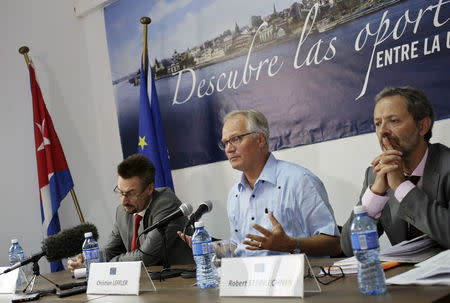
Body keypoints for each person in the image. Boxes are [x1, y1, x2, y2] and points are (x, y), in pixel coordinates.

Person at [179, 109, 341, 257]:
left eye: (235, 139)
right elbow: (240, 248)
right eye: (225, 143)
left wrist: (291, 244)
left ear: (260, 140)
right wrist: (207, 248)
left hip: (299, 283)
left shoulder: (299, 181)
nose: (229, 149)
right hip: (250, 284)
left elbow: (334, 244)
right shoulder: (235, 194)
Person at [340, 86, 450, 256]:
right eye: (378, 123)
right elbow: (348, 248)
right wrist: (375, 193)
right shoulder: (375, 174)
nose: (383, 131)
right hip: (406, 278)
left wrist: (401, 186)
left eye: (394, 121)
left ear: (422, 126)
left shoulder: (447, 165)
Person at [68, 154, 193, 271]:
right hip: (145, 282)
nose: (124, 201)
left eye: (131, 193)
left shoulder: (166, 204)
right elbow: (111, 250)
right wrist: (89, 259)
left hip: (180, 281)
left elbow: (145, 257)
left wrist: (104, 264)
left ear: (150, 188)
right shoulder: (122, 212)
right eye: (121, 192)